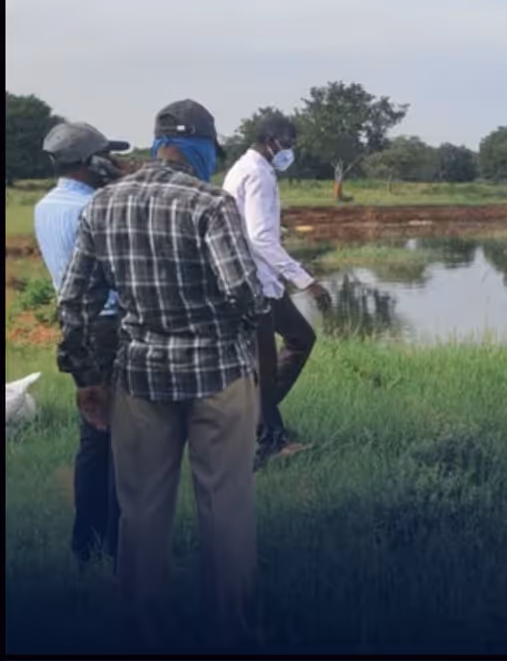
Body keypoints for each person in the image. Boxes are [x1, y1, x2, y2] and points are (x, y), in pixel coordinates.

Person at [56, 99, 266, 652]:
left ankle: (141, 629)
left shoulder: (102, 205)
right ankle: (227, 630)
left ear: (156, 145)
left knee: (142, 508)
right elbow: (244, 293)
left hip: (140, 375)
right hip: (217, 373)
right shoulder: (211, 203)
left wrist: (86, 376)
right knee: (225, 503)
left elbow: (76, 299)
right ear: (199, 149)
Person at [35, 121, 130, 565]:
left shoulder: (45, 206)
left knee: (95, 435)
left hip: (76, 326)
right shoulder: (97, 208)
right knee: (120, 438)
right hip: (107, 326)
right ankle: (111, 543)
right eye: (107, 156)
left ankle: (87, 542)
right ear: (93, 162)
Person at [222, 112, 332, 469]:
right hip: (253, 284)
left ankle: (258, 420)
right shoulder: (256, 173)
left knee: (299, 338)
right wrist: (307, 281)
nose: (290, 152)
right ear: (272, 142)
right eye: (288, 145)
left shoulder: (251, 169)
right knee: (264, 368)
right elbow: (260, 238)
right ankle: (267, 439)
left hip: (264, 281)